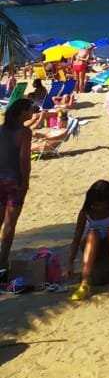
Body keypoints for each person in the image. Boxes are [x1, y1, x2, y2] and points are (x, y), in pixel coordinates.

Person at [68, 179, 109, 300]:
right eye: (95, 204)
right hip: (92, 242)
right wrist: (70, 262)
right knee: (93, 234)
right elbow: (77, 237)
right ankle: (84, 284)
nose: (98, 207)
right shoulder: (86, 212)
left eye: (101, 204)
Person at [0, 98, 34, 280]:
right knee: (9, 225)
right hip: (14, 181)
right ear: (23, 112)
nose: (33, 112)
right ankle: (2, 263)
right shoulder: (25, 132)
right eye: (31, 109)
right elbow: (24, 160)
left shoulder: (1, 130)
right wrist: (25, 182)